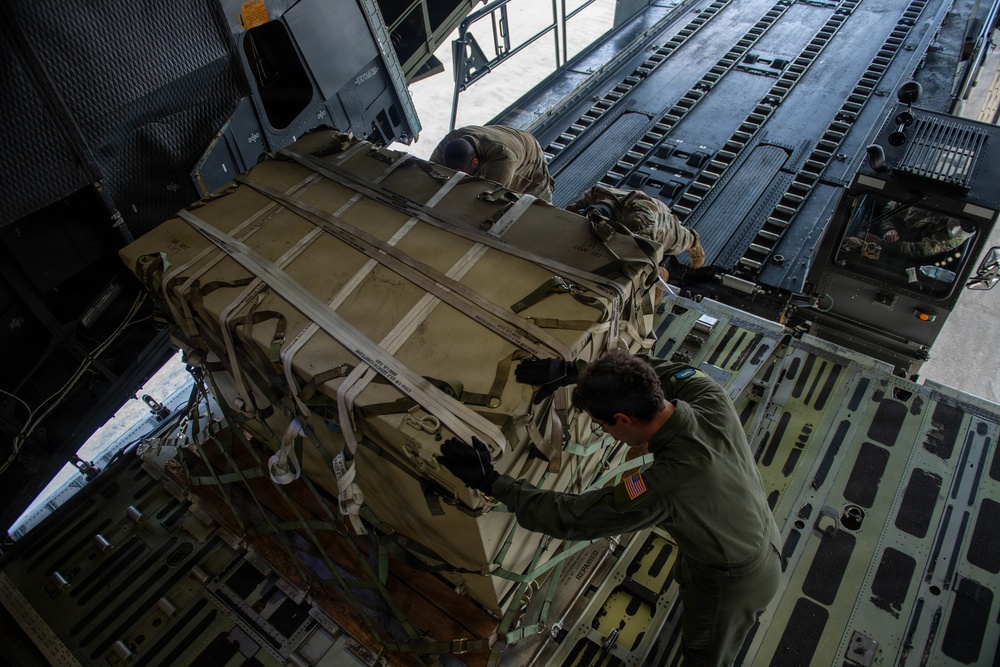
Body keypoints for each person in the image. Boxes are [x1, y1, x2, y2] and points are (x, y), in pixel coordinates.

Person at [437, 352, 782, 667]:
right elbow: (652, 370)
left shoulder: (667, 484)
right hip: (754, 529)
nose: (605, 433)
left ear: (623, 419)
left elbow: (572, 516)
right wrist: (579, 372)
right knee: (692, 584)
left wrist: (493, 482)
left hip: (736, 579)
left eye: (602, 425)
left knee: (705, 654)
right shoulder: (708, 395)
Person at [566, 184, 706, 268]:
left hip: (659, 220)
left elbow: (642, 258)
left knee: (679, 239)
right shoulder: (594, 195)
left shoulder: (640, 223)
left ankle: (694, 244)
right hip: (632, 205)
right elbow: (567, 215)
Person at [429, 125, 554, 202]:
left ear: (475, 162)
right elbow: (430, 170)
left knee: (534, 210)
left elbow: (488, 197)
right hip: (507, 140)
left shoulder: (503, 159)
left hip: (531, 162)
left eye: (463, 173)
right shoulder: (451, 139)